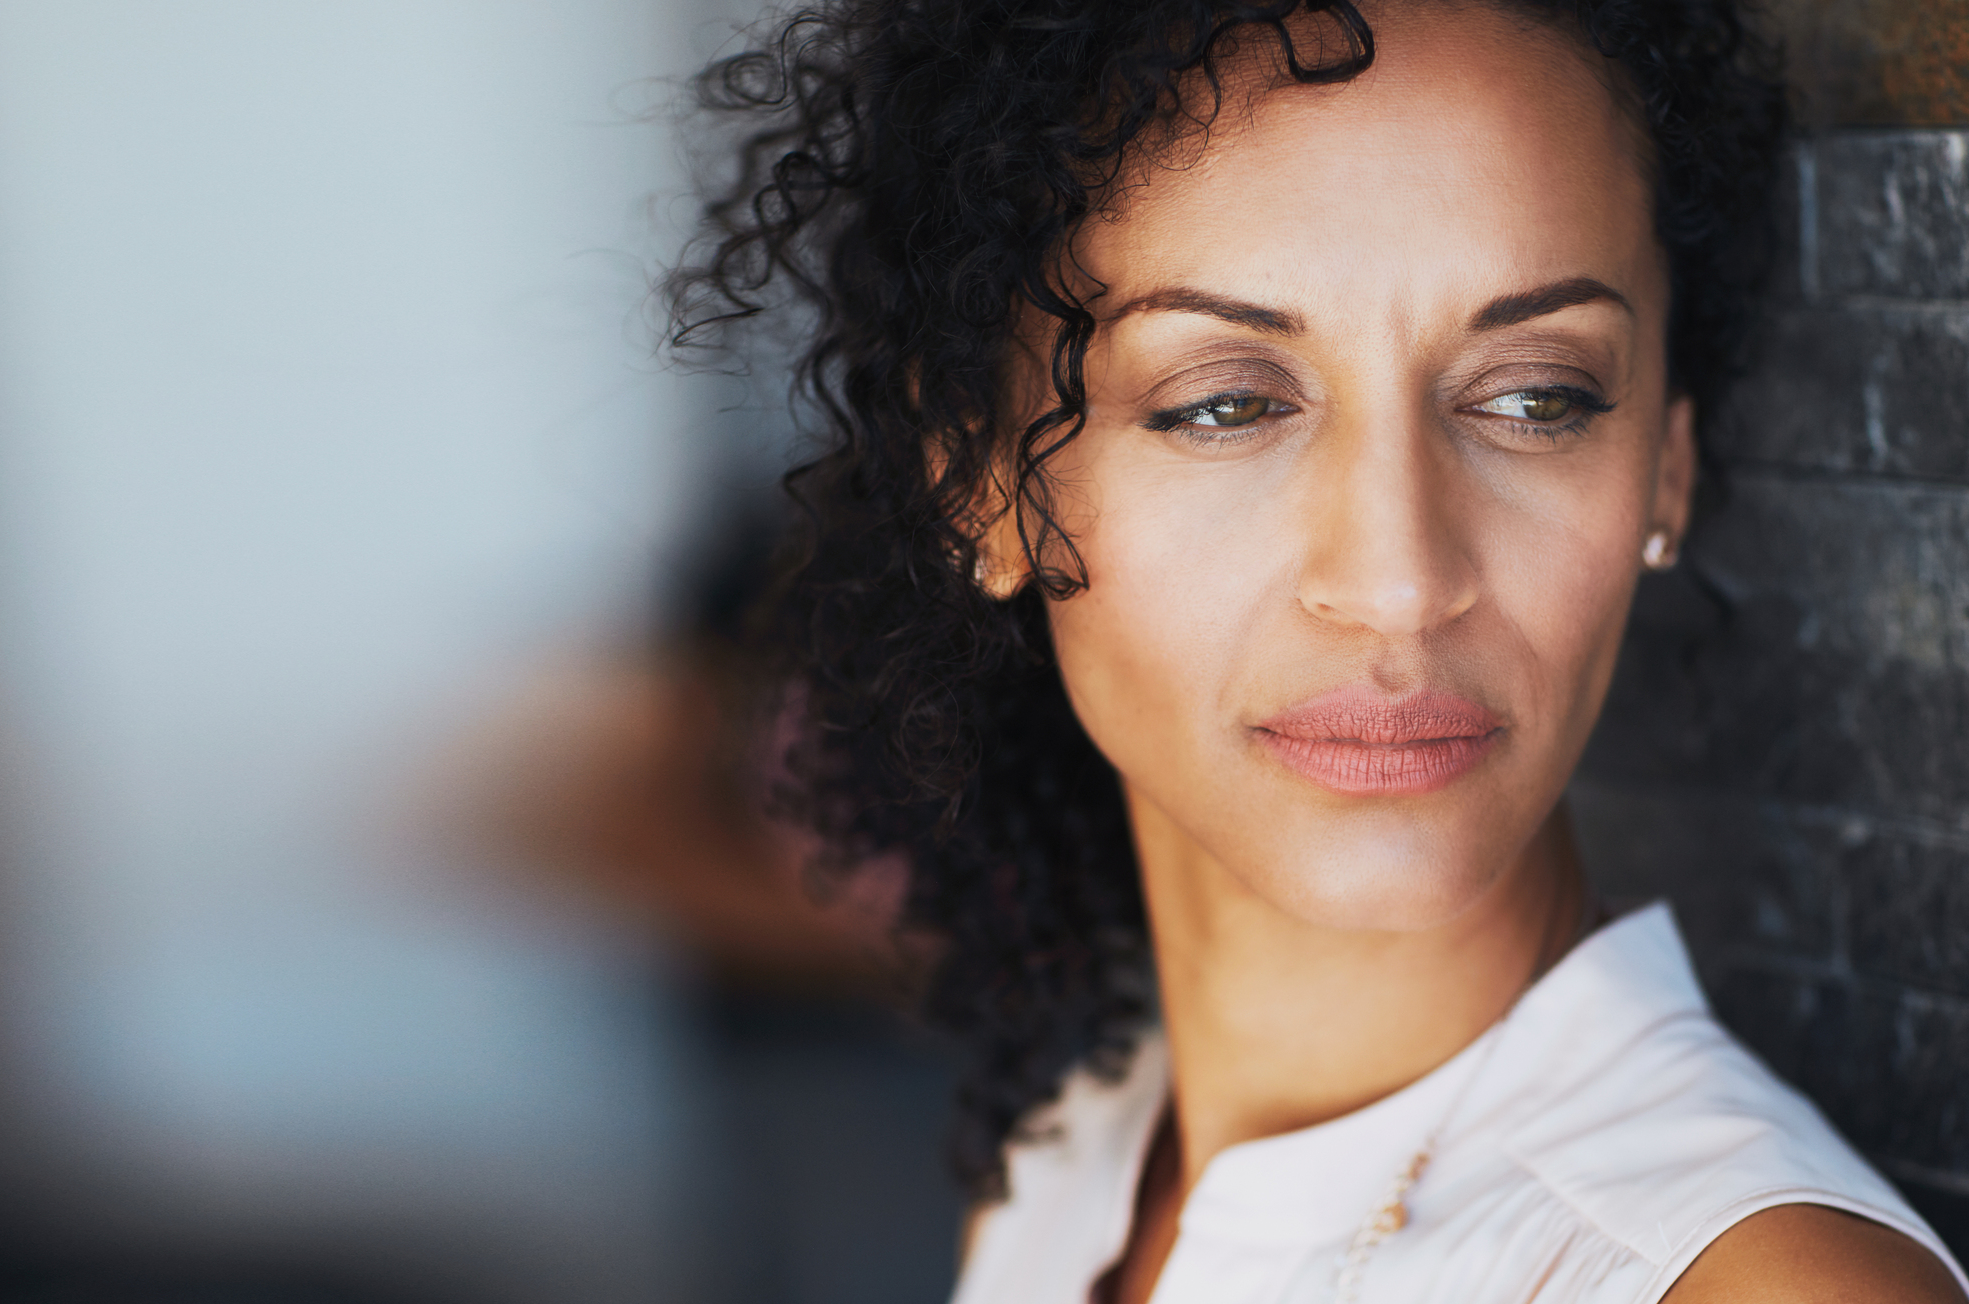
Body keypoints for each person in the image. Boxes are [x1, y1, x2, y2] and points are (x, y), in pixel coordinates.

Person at [667, 0, 1969, 1300]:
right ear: (981, 487)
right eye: (1225, 405)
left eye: (1535, 398)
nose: (1401, 582)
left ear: (1664, 472)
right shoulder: (1071, 1170)